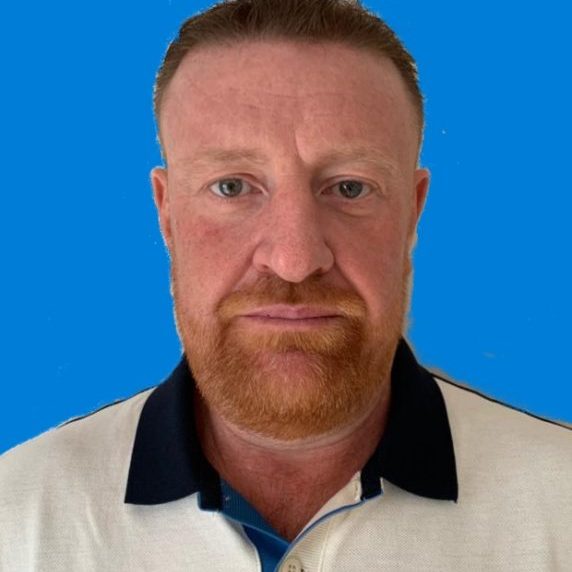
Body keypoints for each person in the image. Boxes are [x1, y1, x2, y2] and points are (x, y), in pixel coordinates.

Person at [1, 0, 571, 570]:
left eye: (350, 188)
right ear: (167, 213)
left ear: (412, 212)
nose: (295, 261)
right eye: (232, 186)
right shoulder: (14, 519)